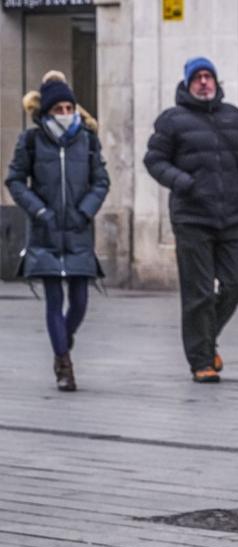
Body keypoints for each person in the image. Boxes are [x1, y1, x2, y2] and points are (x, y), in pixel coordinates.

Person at [145, 57, 238, 383]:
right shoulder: (172, 120)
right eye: (198, 77)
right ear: (188, 82)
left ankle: (206, 338)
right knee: (199, 293)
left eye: (209, 76)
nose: (204, 82)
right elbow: (154, 159)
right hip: (192, 218)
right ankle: (201, 361)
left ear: (216, 82)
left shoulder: (235, 117)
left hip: (231, 216)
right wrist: (183, 183)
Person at [5, 71, 109, 392]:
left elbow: (101, 181)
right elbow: (15, 180)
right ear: (46, 112)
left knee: (78, 301)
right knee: (53, 298)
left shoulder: (87, 141)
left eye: (68, 108)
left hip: (77, 231)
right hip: (45, 232)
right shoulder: (31, 140)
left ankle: (64, 336)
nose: (64, 114)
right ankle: (63, 364)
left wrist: (85, 210)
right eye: (58, 109)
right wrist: (39, 211)